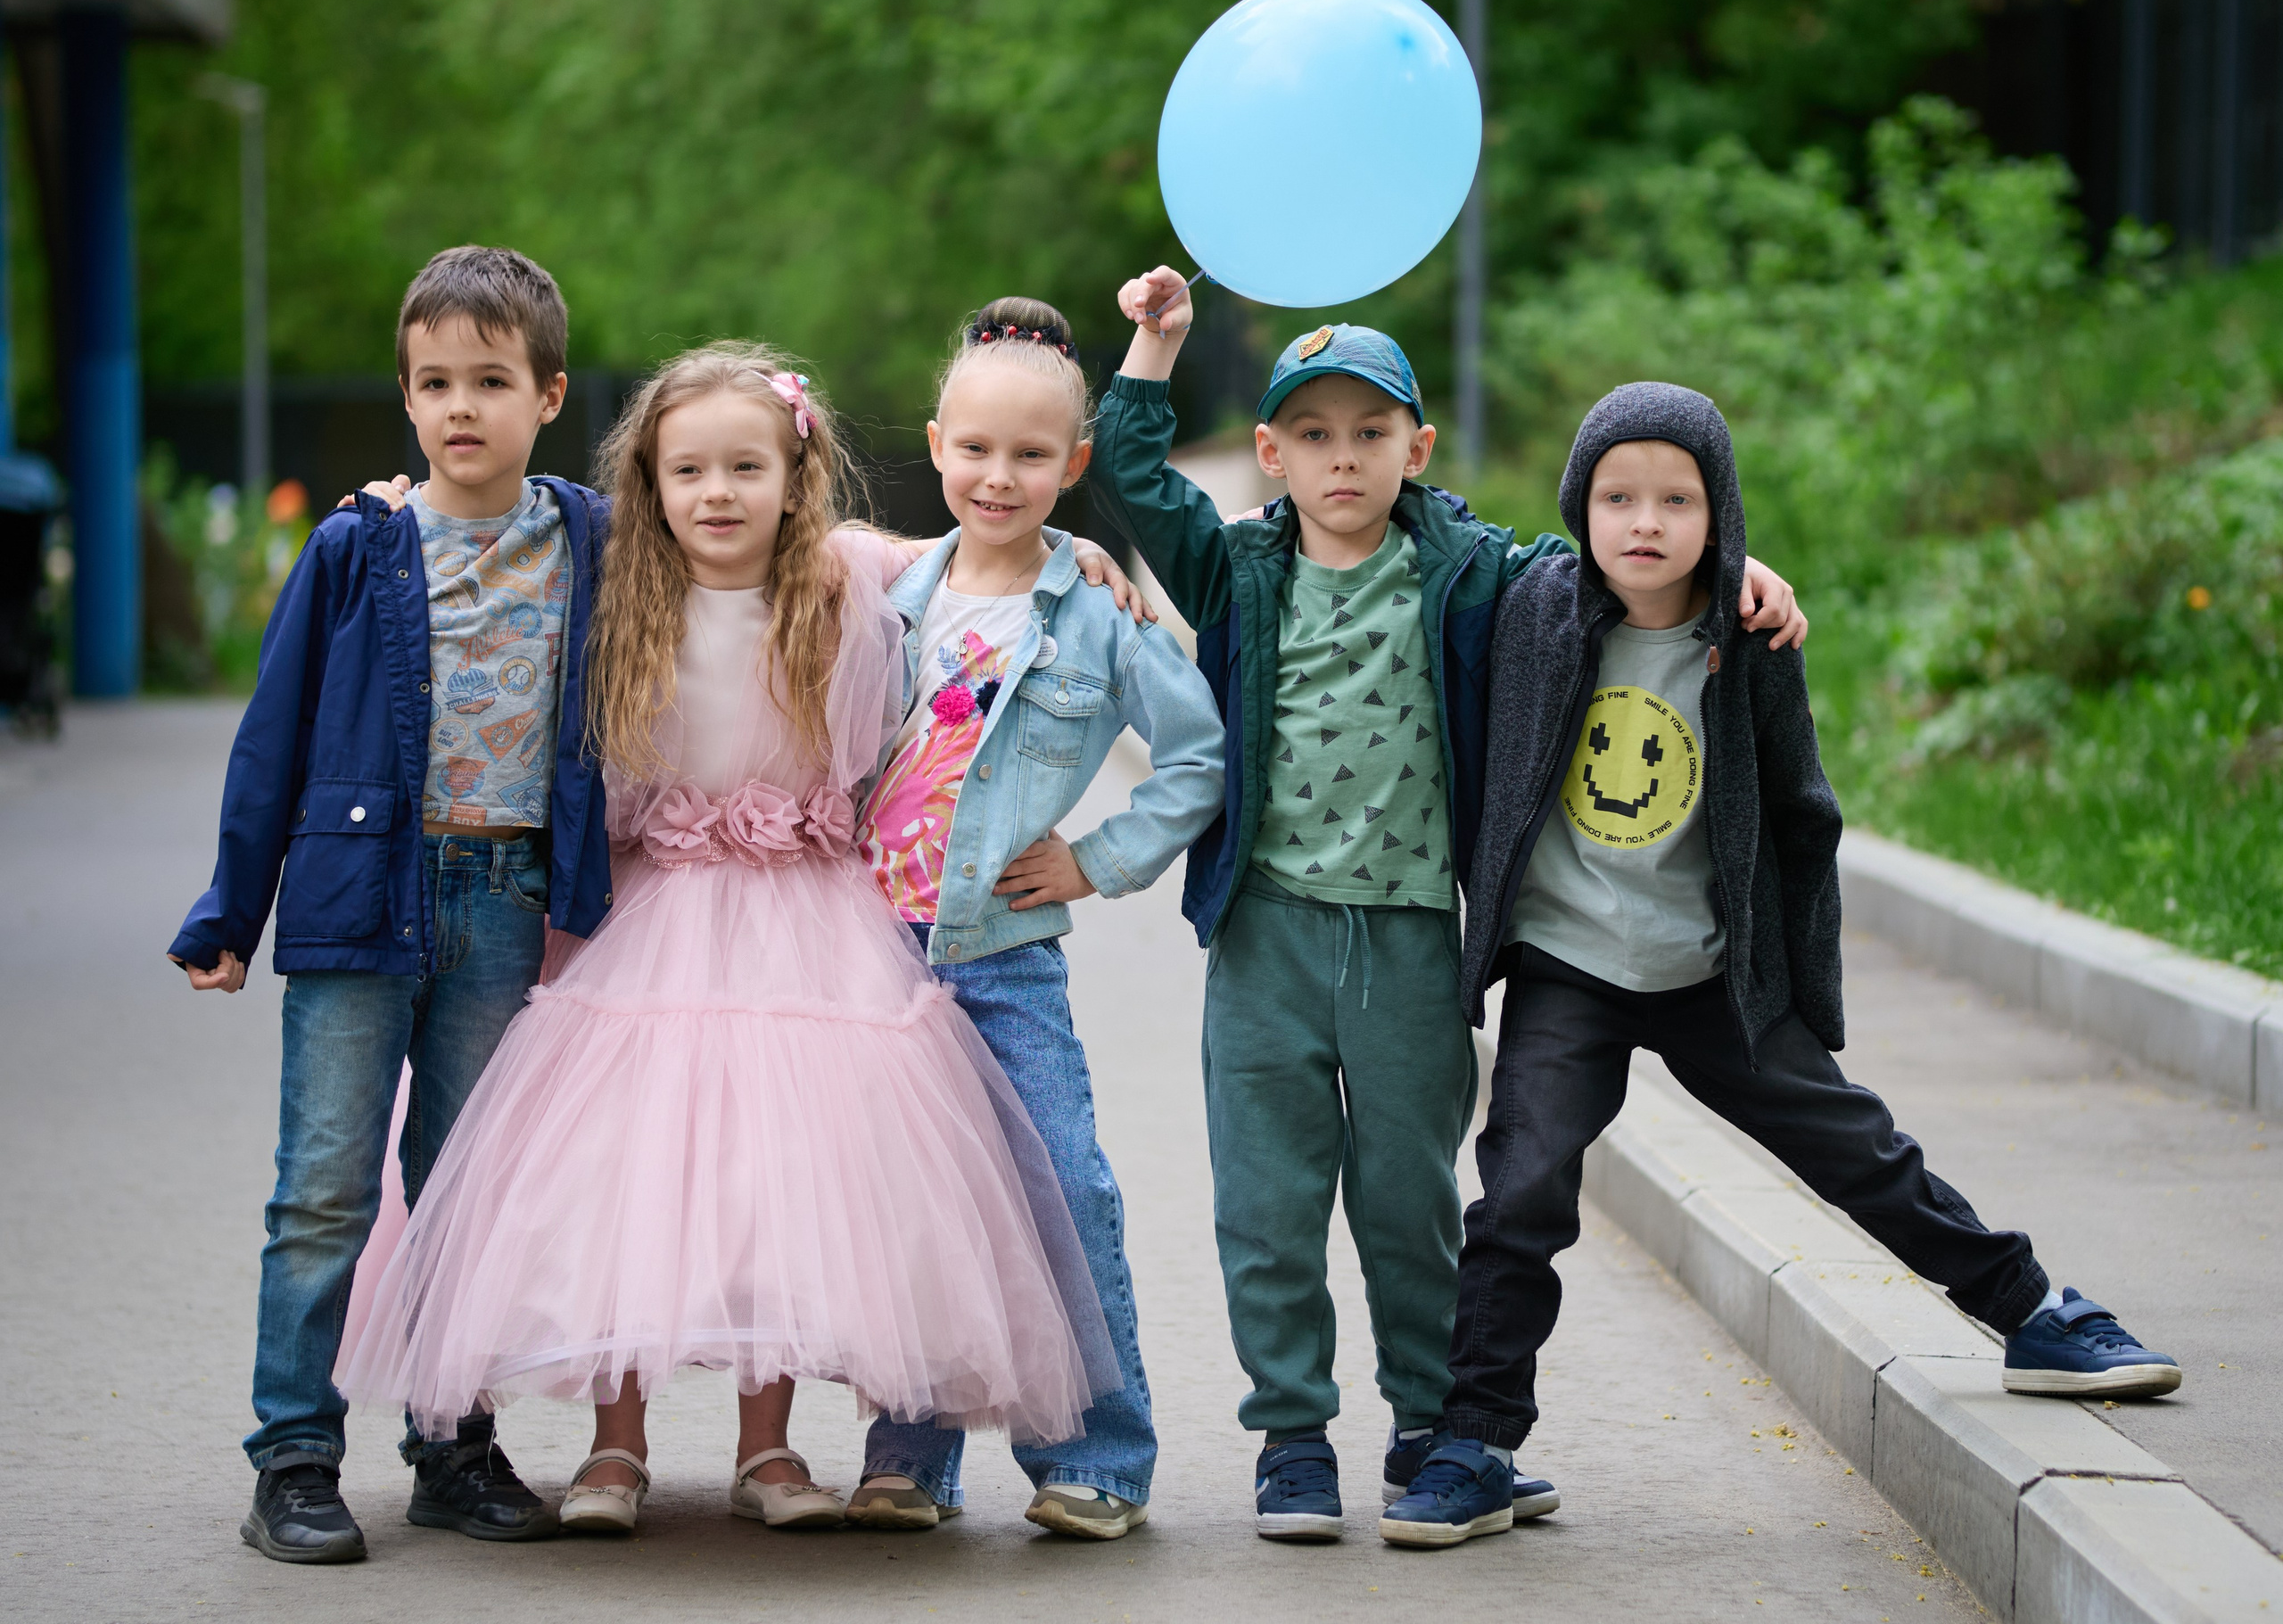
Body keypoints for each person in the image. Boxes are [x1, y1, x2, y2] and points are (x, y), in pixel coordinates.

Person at [334, 342, 1119, 1538]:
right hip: (656, 916)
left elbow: (973, 555)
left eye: (746, 467)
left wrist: (1070, 551)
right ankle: (615, 1444)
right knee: (628, 1173)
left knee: (787, 1179)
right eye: (687, 469)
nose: (716, 493)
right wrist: (393, 505)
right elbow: (493, 535)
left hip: (807, 919)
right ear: (647, 482)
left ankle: (770, 1448)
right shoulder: (615, 586)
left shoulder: (845, 575)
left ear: (793, 475)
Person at [1383, 381, 2183, 1548]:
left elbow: (1804, 813)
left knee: (1857, 1150)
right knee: (1521, 1194)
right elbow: (1428, 514)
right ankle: (1476, 1442)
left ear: (1722, 519)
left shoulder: (1750, 642)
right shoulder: (1531, 604)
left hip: (1717, 971)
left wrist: (1804, 982)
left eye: (1676, 499)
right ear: (1578, 507)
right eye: (1616, 497)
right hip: (1569, 966)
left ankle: (2034, 1313)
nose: (1643, 522)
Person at [1092, 269, 1809, 1539]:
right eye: (1312, 436)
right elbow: (1139, 479)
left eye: (1371, 433)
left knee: (1410, 1202)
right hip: (1266, 935)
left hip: (1417, 938)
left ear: (1415, 446)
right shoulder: (1237, 571)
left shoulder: (1471, 570)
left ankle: (1431, 1426)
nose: (1343, 458)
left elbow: (1613, 565)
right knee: (1265, 1202)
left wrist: (1746, 579)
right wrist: (1155, 348)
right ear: (1270, 454)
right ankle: (1293, 1439)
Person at [169, 245, 607, 1562]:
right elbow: (275, 733)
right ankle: (295, 1457)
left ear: (549, 394)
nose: (460, 405)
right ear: (406, 400)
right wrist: (230, 912)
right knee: (324, 1192)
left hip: (505, 898)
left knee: (463, 1187)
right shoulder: (360, 544)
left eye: (490, 379)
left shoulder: (589, 534)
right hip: (365, 898)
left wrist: (1060, 555)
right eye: (433, 382)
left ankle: (451, 1444)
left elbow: (746, 528)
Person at [845, 299, 1224, 1541]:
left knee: (1066, 1191)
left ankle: (1098, 1460)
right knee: (911, 1206)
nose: (997, 477)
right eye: (975, 450)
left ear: (1072, 466)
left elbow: (1198, 757)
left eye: (1028, 456)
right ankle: (908, 1452)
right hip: (874, 961)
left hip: (1004, 963)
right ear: (938, 444)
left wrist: (1098, 858)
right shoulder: (890, 595)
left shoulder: (1096, 616)